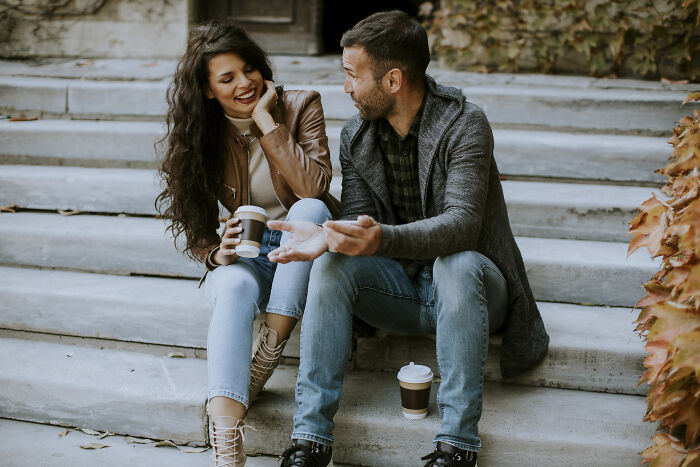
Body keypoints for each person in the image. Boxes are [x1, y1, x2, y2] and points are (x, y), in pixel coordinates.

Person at [267, 10, 549, 467]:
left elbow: (462, 226)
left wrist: (378, 241)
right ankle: (310, 440)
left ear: (393, 80)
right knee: (332, 265)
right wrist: (329, 234)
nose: (346, 87)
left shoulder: (465, 124)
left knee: (455, 262)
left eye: (352, 75)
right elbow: (363, 223)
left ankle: (457, 445)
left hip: (472, 291)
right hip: (400, 289)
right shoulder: (356, 134)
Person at [156, 20, 339, 467]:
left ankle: (267, 352)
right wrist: (218, 251)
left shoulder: (299, 106)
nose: (245, 83)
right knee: (233, 285)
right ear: (206, 90)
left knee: (310, 211)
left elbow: (313, 187)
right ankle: (227, 445)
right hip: (256, 257)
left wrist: (266, 123)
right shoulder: (201, 134)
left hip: (308, 252)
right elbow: (195, 224)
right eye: (227, 78)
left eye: (248, 69)